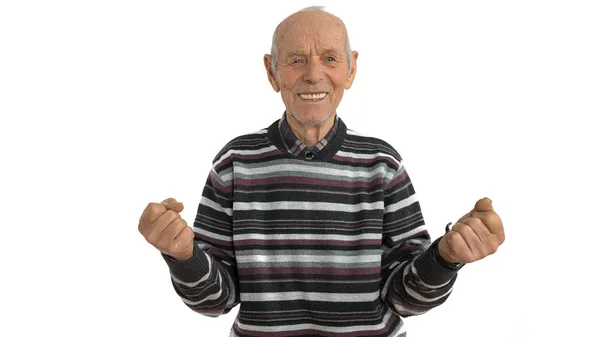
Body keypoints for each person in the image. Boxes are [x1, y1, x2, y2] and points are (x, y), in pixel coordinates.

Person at [138, 6, 505, 337]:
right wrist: (183, 256)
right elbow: (215, 302)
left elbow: (404, 299)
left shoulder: (383, 164)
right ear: (271, 71)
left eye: (329, 58)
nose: (314, 75)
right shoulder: (234, 163)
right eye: (296, 60)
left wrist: (445, 257)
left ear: (351, 69)